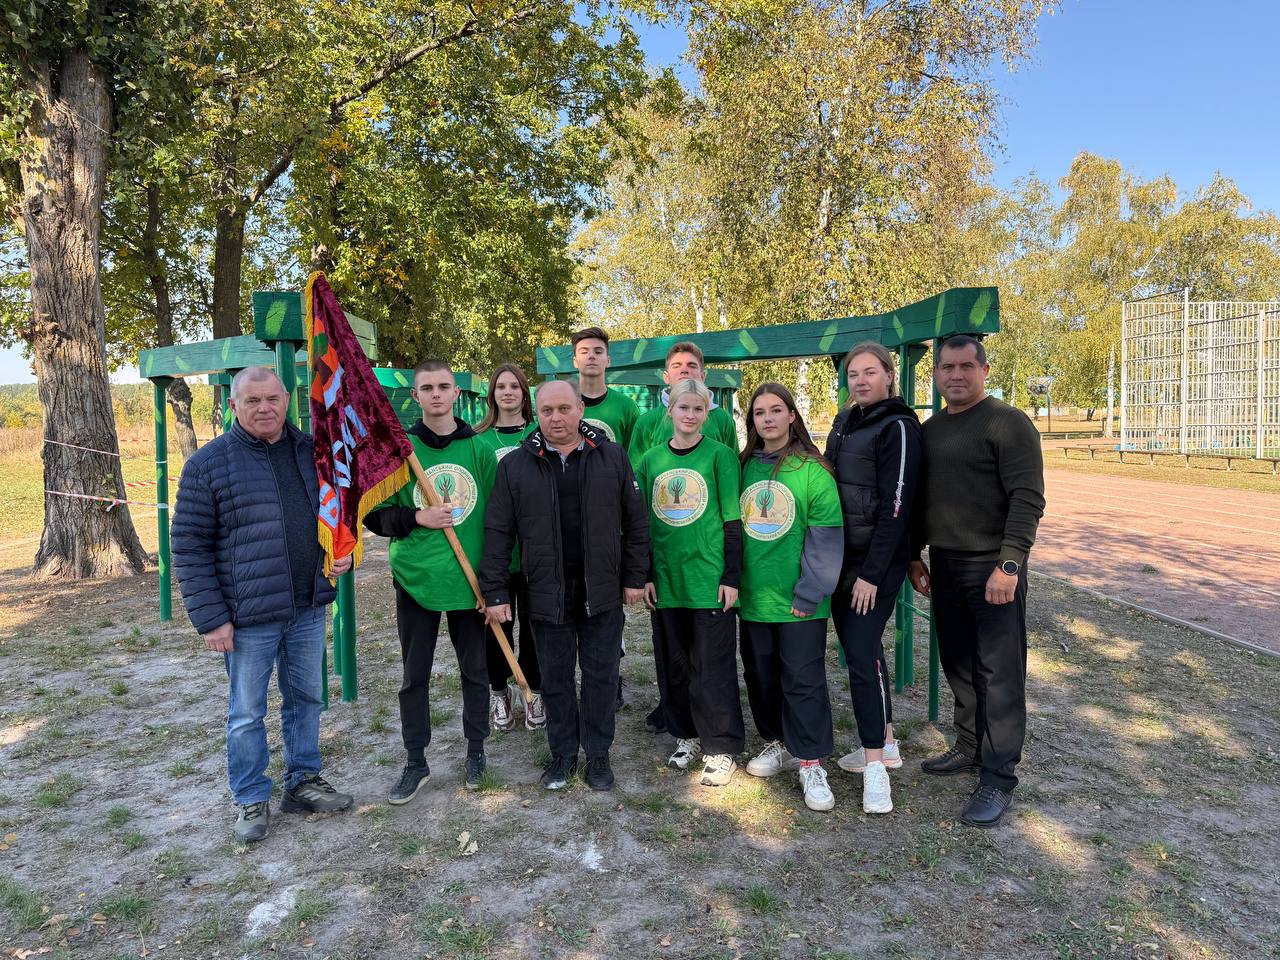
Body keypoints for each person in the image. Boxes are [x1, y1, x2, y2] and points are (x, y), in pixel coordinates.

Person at [172, 366, 353, 844]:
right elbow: (188, 547)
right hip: (247, 616)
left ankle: (303, 780)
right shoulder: (208, 465)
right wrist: (212, 619)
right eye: (252, 400)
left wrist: (343, 551)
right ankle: (251, 796)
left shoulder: (314, 454)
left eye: (273, 398)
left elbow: (336, 516)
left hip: (307, 605)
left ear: (287, 399)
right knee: (247, 712)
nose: (265, 408)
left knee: (307, 699)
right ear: (233, 405)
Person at [480, 380, 649, 792]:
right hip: (545, 591)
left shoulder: (612, 457)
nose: (556, 418)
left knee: (601, 676)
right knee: (554, 679)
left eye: (564, 409)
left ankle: (598, 755)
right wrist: (496, 593)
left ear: (580, 409)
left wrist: (634, 577)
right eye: (547, 411)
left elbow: (636, 522)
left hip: (602, 589)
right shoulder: (515, 466)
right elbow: (498, 533)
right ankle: (563, 755)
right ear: (536, 413)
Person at [908, 335, 1045, 828]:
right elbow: (923, 499)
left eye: (966, 366)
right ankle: (969, 746)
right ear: (936, 374)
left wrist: (1009, 565)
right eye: (947, 367)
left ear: (984, 370)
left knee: (999, 674)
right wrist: (914, 555)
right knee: (960, 664)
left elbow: (1028, 498)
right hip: (946, 564)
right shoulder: (930, 430)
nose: (956, 375)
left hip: (994, 567)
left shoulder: (1008, 424)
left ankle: (998, 775)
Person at [363, 361, 497, 804]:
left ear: (456, 393)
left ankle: (476, 752)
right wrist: (417, 517)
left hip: (469, 582)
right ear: (416, 396)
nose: (436, 394)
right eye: (427, 388)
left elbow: (499, 518)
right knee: (414, 675)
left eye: (443, 386)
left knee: (475, 671)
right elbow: (373, 515)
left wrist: (493, 582)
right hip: (416, 580)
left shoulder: (479, 450)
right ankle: (415, 761)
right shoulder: (400, 452)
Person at [825, 343, 922, 815]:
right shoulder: (846, 422)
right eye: (853, 374)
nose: (860, 381)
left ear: (888, 375)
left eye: (869, 372)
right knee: (861, 652)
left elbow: (897, 507)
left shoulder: (898, 427)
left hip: (873, 566)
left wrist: (872, 575)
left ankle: (876, 768)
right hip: (840, 559)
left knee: (862, 655)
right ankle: (886, 741)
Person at [738, 382, 844, 812]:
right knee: (761, 676)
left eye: (776, 410)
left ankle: (811, 761)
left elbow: (825, 537)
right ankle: (778, 742)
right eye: (759, 412)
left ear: (792, 416)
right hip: (753, 597)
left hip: (800, 600)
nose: (768, 418)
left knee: (802, 679)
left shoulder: (812, 470)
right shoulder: (742, 466)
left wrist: (810, 590)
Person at [635, 379, 744, 787]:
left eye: (699, 409)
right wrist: (645, 574)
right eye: (684, 408)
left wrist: (731, 576)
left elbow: (732, 520)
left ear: (707, 414)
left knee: (712, 668)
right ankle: (687, 735)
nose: (690, 415)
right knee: (674, 665)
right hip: (667, 581)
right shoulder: (651, 460)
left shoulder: (720, 456)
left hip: (708, 580)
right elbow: (641, 525)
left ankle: (721, 747)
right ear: (670, 411)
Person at [473, 363, 544, 734]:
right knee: (495, 626)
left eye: (514, 386)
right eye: (501, 386)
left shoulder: (540, 434)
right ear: (492, 394)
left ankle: (533, 691)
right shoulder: (477, 439)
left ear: (524, 393)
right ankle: (500, 691)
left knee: (534, 625)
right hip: (495, 552)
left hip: (534, 551)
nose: (508, 392)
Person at [572, 326, 640, 448]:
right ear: (575, 361)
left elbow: (633, 455)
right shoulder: (561, 405)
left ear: (608, 361)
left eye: (598, 352)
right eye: (584, 352)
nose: (591, 356)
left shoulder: (627, 407)